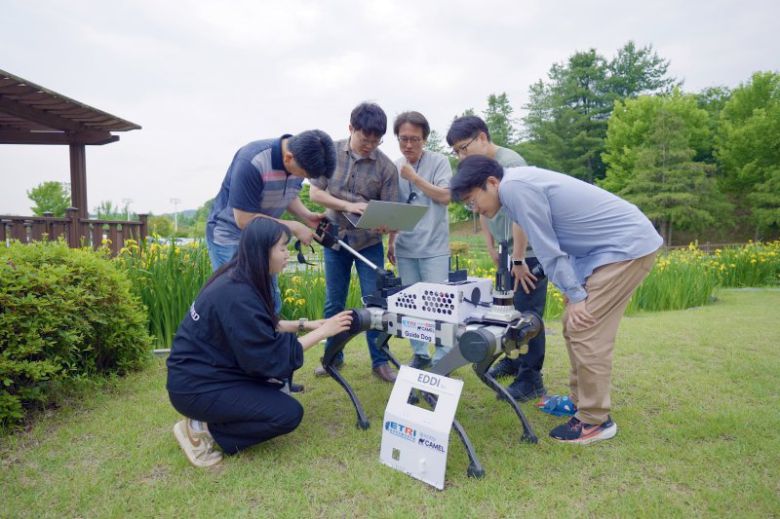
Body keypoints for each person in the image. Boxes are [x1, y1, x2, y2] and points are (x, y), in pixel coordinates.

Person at [450, 156, 662, 444]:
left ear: (491, 182)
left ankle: (595, 420)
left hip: (625, 248)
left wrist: (576, 295)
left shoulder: (516, 188)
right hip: (601, 253)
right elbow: (564, 235)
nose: (475, 210)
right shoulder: (511, 190)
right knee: (572, 323)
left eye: (472, 201)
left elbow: (548, 247)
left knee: (586, 328)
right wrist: (571, 286)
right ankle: (579, 402)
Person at [167, 218, 353, 467]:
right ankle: (203, 432)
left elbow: (260, 326)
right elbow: (271, 356)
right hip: (195, 386)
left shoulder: (240, 277)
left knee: (274, 388)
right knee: (287, 414)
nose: (288, 254)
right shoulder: (237, 293)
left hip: (207, 372)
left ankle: (206, 421)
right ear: (262, 250)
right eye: (283, 248)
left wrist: (306, 325)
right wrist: (323, 332)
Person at [446, 115, 547, 401]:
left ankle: (531, 377)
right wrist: (492, 247)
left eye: (463, 148)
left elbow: (522, 214)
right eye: (456, 152)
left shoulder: (510, 163)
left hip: (526, 251)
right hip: (507, 248)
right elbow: (482, 210)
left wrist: (517, 258)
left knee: (529, 313)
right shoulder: (478, 171)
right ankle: (514, 361)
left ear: (482, 137)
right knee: (507, 309)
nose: (461, 155)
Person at [309, 102, 400, 383]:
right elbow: (315, 194)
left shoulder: (386, 167)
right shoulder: (330, 153)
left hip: (368, 242)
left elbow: (391, 211)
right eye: (364, 139)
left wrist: (389, 231)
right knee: (334, 302)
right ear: (351, 129)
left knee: (375, 302)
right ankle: (332, 359)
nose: (369, 145)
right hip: (335, 238)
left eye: (376, 141)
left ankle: (380, 361)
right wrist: (349, 206)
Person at [205, 130, 336, 313]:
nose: (304, 179)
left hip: (265, 237)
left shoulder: (298, 161)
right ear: (288, 158)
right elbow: (244, 219)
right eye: (305, 174)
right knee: (238, 302)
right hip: (230, 237)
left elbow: (288, 194)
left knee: (269, 302)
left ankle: (268, 339)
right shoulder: (252, 161)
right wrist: (295, 227)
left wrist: (306, 216)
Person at [387, 111, 452, 370]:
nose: (409, 145)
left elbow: (446, 197)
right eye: (403, 139)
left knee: (438, 306)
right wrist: (391, 241)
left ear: (425, 138)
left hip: (434, 246)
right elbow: (395, 207)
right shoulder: (394, 165)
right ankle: (421, 353)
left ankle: (442, 356)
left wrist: (413, 177)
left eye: (414, 139)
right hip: (405, 247)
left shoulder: (439, 162)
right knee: (412, 306)